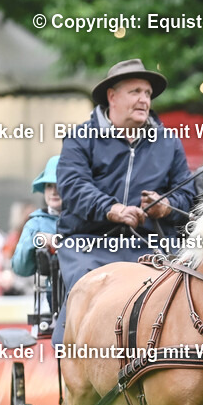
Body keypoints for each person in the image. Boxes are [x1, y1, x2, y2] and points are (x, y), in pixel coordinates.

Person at [54, 58, 195, 343]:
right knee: (86, 285)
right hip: (89, 243)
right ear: (112, 96)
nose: (144, 100)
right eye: (135, 92)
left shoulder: (169, 142)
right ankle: (75, 356)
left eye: (148, 93)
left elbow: (188, 196)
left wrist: (166, 207)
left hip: (151, 245)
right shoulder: (80, 138)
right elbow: (72, 185)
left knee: (191, 281)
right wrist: (111, 209)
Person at [12, 155, 61, 277]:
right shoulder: (35, 224)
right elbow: (20, 268)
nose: (53, 191)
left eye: (59, 185)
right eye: (49, 186)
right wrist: (37, 239)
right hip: (52, 288)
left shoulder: (87, 219)